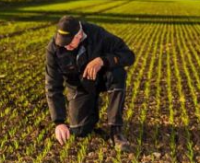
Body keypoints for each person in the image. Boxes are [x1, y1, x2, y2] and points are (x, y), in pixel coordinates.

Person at [45, 15, 135, 150]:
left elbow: (129, 55)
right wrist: (59, 122)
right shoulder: (54, 49)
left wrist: (103, 60)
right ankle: (91, 110)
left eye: (69, 42)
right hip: (80, 87)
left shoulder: (98, 35)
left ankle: (116, 130)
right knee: (79, 130)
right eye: (62, 42)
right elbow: (53, 85)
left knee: (117, 73)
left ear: (79, 35)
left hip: (102, 79)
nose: (66, 46)